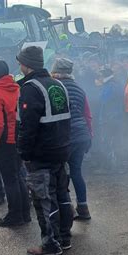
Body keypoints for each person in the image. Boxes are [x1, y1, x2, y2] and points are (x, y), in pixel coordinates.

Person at [16, 46, 73, 255]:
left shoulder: (31, 88)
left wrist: (24, 153)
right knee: (62, 195)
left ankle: (50, 244)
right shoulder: (58, 84)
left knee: (43, 200)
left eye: (21, 62)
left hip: (42, 154)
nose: (19, 66)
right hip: (61, 150)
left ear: (26, 64)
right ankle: (65, 238)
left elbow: (27, 126)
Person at [0, 60, 30, 227]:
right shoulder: (17, 87)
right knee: (18, 176)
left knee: (9, 179)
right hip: (18, 137)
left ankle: (15, 215)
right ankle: (25, 212)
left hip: (4, 141)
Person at [51, 58, 93, 220]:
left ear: (56, 73)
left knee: (62, 174)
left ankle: (66, 211)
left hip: (66, 138)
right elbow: (87, 116)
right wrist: (89, 136)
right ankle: (83, 208)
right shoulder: (79, 89)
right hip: (82, 135)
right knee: (76, 172)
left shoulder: (55, 88)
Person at [97, 67, 125, 170]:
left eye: (100, 75)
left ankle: (107, 167)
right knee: (118, 142)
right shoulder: (118, 84)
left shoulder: (109, 86)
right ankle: (120, 167)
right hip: (118, 118)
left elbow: (103, 100)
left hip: (108, 119)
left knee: (106, 142)